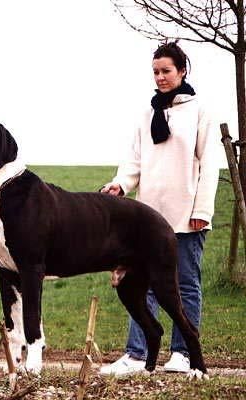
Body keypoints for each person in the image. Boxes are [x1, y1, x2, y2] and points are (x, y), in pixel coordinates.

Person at [100, 42, 219, 376]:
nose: (161, 77)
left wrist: (203, 210)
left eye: (166, 71)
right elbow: (135, 160)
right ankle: (136, 354)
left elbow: (210, 164)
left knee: (185, 285)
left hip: (186, 216)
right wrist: (120, 185)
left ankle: (182, 353)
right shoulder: (147, 113)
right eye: (156, 72)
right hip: (146, 219)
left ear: (182, 71)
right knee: (141, 285)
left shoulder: (200, 112)